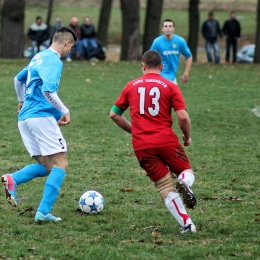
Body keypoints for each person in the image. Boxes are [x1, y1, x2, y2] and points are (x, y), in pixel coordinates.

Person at [110, 50, 197, 234]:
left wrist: (135, 131)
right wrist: (187, 136)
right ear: (162, 67)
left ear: (143, 66)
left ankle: (187, 225)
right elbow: (182, 117)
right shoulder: (170, 86)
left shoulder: (131, 85)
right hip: (166, 140)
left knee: (164, 185)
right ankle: (184, 181)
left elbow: (114, 114)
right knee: (185, 170)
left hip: (142, 144)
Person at [1, 26, 77, 222]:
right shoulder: (54, 61)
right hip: (40, 117)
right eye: (71, 47)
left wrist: (21, 100)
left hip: (24, 119)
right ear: (67, 42)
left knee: (48, 167)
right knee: (61, 164)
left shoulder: (38, 57)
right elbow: (48, 92)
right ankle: (43, 213)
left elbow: (18, 79)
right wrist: (64, 110)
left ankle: (13, 179)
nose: (70, 51)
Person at [150, 19, 192, 84]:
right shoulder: (157, 42)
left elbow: (189, 56)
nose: (168, 29)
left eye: (170, 26)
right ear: (162, 29)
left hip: (172, 77)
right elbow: (149, 58)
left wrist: (186, 73)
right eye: (166, 26)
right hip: (160, 76)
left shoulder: (180, 41)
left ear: (173, 29)